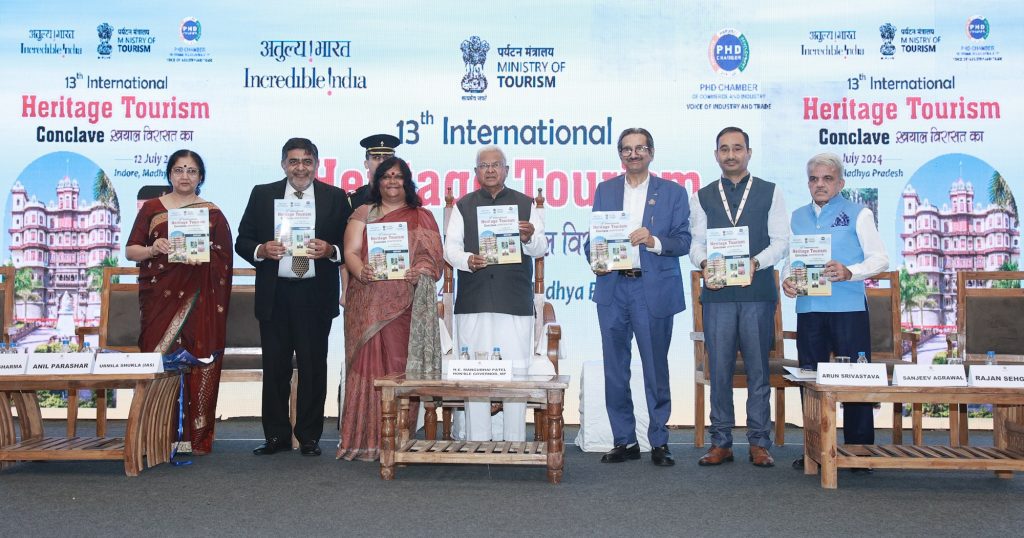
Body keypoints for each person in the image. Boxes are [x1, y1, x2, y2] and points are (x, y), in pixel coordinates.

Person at [235, 137, 351, 457]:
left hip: (315, 295)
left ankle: (310, 437)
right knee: (275, 369)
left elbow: (349, 244)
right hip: (276, 295)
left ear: (317, 163)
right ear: (283, 164)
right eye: (293, 161)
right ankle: (276, 436)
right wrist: (261, 250)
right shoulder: (263, 195)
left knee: (314, 369)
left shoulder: (335, 197)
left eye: (307, 161)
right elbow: (242, 240)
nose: (300, 168)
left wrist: (331, 251)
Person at [586, 127, 691, 466]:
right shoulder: (605, 190)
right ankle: (625, 440)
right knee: (615, 368)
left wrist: (653, 239)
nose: (633, 154)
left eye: (640, 148)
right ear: (620, 155)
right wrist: (595, 259)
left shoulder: (673, 192)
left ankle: (659, 441)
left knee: (655, 368)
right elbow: (594, 237)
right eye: (626, 149)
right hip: (613, 288)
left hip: (652, 288)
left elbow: (684, 241)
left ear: (651, 152)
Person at [689, 126, 789, 468]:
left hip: (757, 292)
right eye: (724, 149)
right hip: (717, 296)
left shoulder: (770, 192)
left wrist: (755, 263)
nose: (730, 155)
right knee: (719, 370)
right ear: (716, 154)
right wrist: (704, 263)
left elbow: (780, 242)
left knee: (759, 370)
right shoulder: (702, 196)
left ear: (748, 152)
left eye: (737, 148)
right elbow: (696, 243)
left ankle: (760, 443)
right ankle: (721, 441)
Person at [783, 152, 888, 472]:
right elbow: (792, 258)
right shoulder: (798, 216)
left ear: (840, 182)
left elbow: (880, 259)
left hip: (848, 308)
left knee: (856, 381)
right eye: (814, 179)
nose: (820, 184)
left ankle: (859, 451)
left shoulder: (859, 213)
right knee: (811, 380)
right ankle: (814, 450)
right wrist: (788, 279)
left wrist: (850, 271)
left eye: (827, 179)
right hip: (810, 308)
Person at [125, 149, 233, 455]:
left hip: (202, 299)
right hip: (161, 297)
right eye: (179, 170)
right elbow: (131, 250)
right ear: (170, 174)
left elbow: (225, 257)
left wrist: (207, 253)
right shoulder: (152, 208)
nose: (185, 176)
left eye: (192, 171)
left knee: (199, 361)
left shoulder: (212, 213)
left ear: (200, 177)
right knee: (157, 361)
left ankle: (194, 439)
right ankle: (157, 435)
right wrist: (153, 248)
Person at [337, 157, 443, 461]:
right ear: (377, 181)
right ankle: (364, 440)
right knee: (367, 369)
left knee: (398, 369)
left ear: (407, 182)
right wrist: (360, 270)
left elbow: (432, 260)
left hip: (404, 304)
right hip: (367, 300)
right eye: (386, 176)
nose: (392, 181)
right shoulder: (363, 213)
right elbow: (351, 252)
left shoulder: (422, 216)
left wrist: (418, 271)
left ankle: (398, 439)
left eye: (398, 176)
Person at [443, 145, 546, 442]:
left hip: (513, 301)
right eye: (483, 165)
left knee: (514, 376)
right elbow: (450, 248)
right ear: (475, 172)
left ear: (506, 170)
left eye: (496, 165)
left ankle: (514, 442)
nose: (490, 170)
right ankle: (477, 442)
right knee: (475, 373)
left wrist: (528, 238)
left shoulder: (525, 204)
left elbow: (542, 248)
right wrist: (466, 261)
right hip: (473, 300)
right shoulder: (463, 205)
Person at [348, 133, 401, 211]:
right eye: (376, 157)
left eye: (386, 158)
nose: (381, 162)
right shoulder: (353, 200)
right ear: (366, 164)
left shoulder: (405, 197)